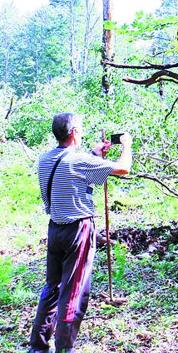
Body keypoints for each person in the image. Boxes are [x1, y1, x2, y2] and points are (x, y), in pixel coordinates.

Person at [29, 113, 132, 353]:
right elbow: (124, 169)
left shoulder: (45, 160)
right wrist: (127, 145)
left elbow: (71, 176)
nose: (83, 132)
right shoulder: (78, 161)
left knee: (52, 287)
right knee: (73, 290)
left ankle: (37, 346)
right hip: (78, 230)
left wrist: (95, 155)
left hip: (55, 229)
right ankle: (64, 348)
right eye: (81, 129)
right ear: (74, 132)